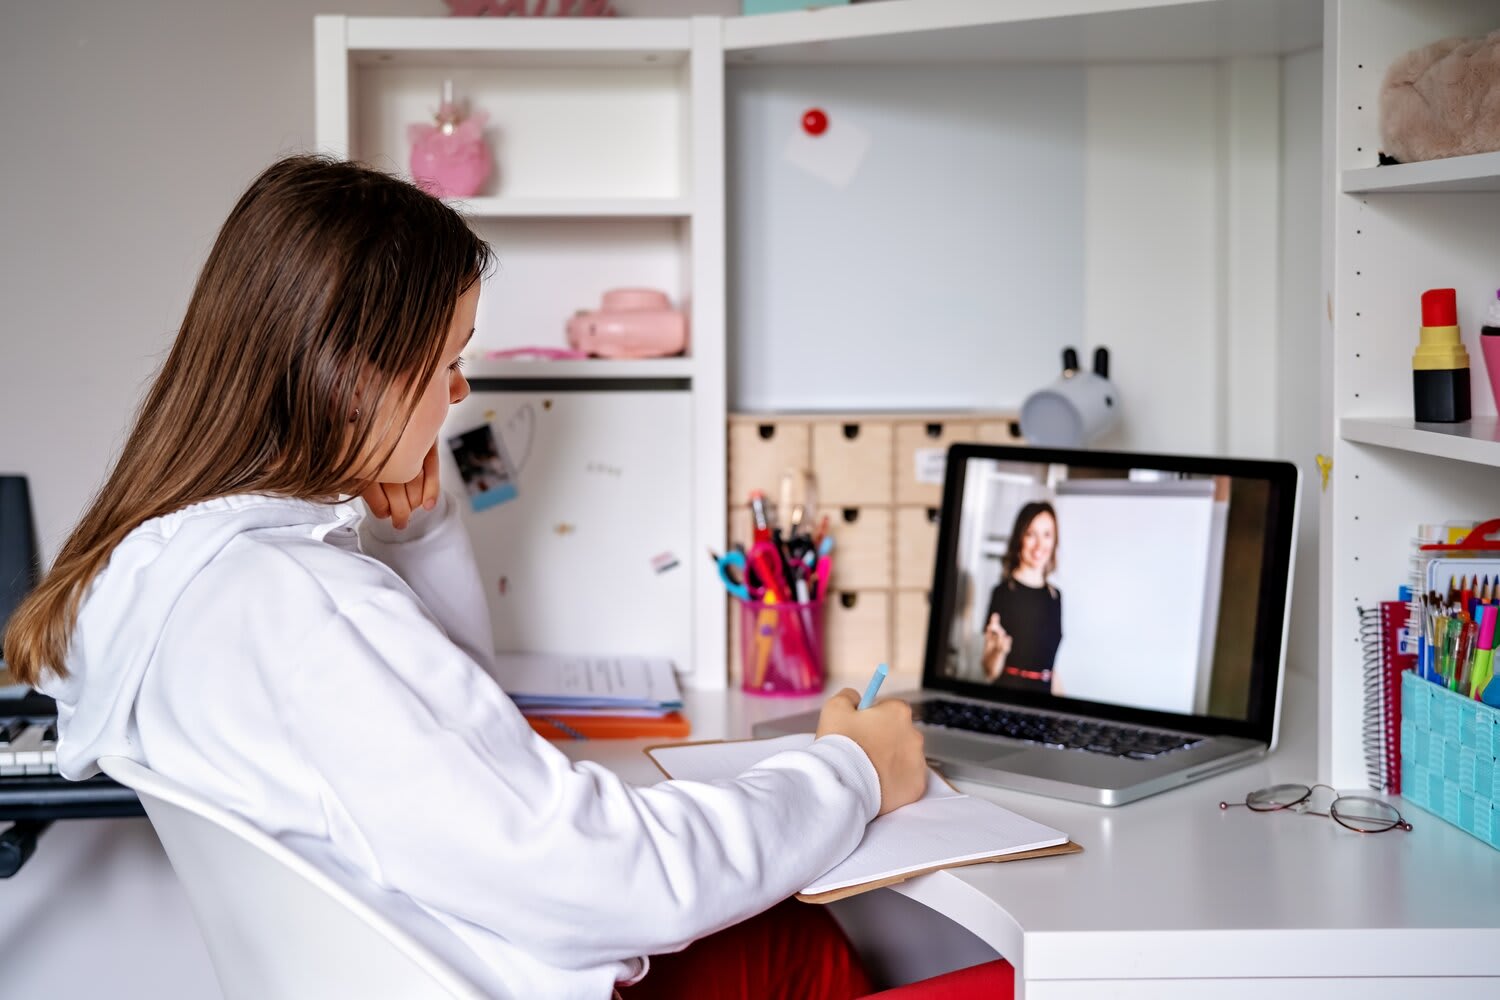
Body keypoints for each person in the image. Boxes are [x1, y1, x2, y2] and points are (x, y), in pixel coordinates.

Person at [2, 156, 1014, 998]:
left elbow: (452, 728)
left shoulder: (173, 575)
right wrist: (849, 771)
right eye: (446, 358)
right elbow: (610, 875)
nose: (460, 387)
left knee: (805, 942)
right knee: (909, 962)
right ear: (354, 375)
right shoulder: (301, 609)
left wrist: (420, 529)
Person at [981, 501, 1062, 694]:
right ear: (1020, 538)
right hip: (1008, 697)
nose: (1040, 545)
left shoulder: (1055, 597)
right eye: (1031, 534)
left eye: (1047, 535)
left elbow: (1050, 669)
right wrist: (999, 650)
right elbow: (990, 672)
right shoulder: (1002, 593)